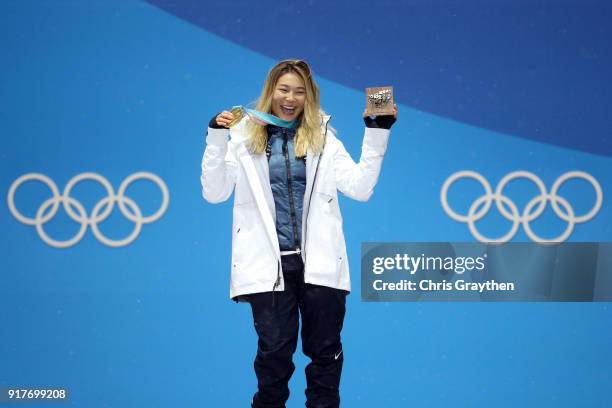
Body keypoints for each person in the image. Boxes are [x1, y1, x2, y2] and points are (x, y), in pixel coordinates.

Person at [200, 59, 397, 408]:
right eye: (284, 89)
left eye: (299, 92)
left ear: (309, 97)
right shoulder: (242, 137)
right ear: (270, 92)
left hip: (320, 266)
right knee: (274, 359)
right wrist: (216, 138)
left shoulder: (325, 138)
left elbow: (361, 187)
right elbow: (214, 192)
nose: (290, 98)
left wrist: (378, 129)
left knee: (325, 357)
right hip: (269, 268)